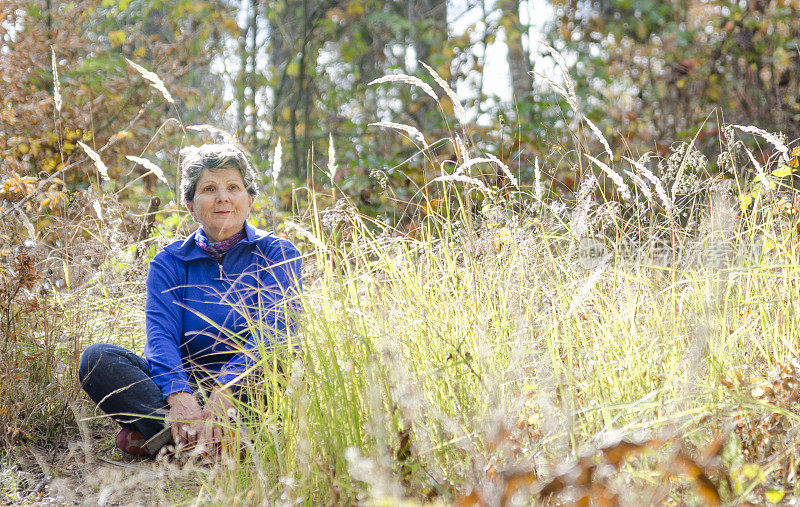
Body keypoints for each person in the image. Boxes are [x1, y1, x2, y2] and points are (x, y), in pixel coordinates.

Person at [78, 143, 302, 457]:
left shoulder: (277, 253)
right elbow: (160, 338)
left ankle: (166, 440)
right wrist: (180, 398)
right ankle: (212, 440)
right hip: (187, 389)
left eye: (233, 187)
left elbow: (276, 330)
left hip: (252, 390)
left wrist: (225, 391)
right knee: (97, 360)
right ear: (190, 205)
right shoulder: (169, 262)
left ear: (250, 200)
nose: (222, 197)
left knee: (281, 368)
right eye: (209, 189)